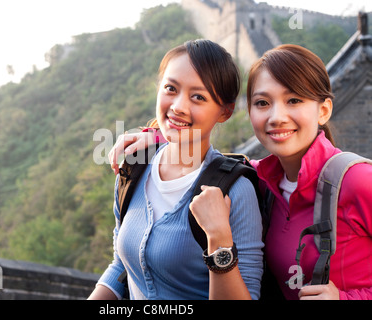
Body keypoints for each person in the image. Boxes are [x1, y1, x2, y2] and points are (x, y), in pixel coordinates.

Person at [109, 44, 372, 300]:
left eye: (294, 100)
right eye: (262, 103)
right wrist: (157, 138)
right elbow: (206, 158)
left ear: (323, 110)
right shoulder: (262, 181)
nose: (276, 116)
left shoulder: (358, 181)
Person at [88, 39, 264, 300]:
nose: (179, 106)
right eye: (171, 88)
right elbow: (121, 267)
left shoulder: (235, 190)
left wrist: (219, 239)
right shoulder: (134, 169)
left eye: (198, 97)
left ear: (225, 112)